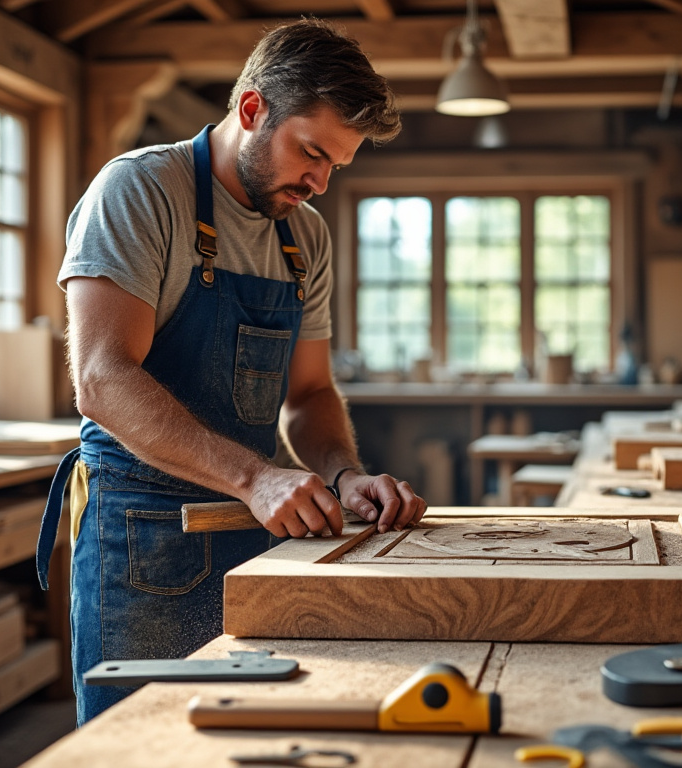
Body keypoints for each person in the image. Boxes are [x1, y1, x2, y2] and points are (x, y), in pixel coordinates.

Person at [34, 19, 427, 724]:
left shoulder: (303, 235)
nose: (320, 182)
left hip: (261, 532)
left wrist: (344, 474)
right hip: (143, 540)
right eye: (310, 153)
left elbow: (308, 394)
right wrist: (254, 476)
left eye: (336, 165)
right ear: (252, 111)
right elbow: (100, 378)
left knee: (252, 731)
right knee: (138, 741)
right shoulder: (139, 193)